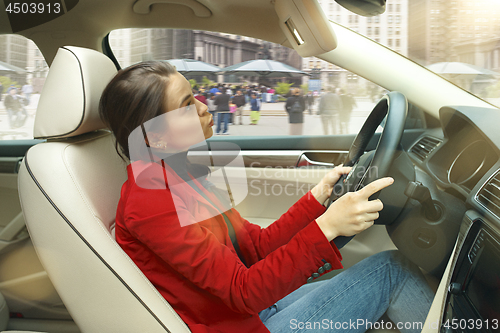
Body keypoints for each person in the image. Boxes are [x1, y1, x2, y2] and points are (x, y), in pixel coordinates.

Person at [98, 61, 433, 333]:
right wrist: (327, 227)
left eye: (194, 96)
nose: (203, 107)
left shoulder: (180, 174)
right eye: (187, 105)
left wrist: (317, 199)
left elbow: (253, 248)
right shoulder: (150, 203)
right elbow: (243, 290)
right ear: (155, 138)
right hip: (245, 323)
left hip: (256, 312)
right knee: (393, 270)